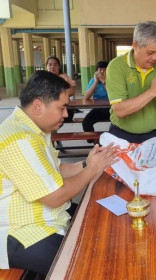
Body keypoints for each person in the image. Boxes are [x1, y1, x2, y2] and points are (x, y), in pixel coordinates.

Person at [0, 70, 118, 276]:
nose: (66, 114)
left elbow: (57, 169)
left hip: (45, 217)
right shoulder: (20, 139)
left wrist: (86, 163)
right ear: (38, 106)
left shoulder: (34, 129)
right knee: (83, 268)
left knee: (98, 220)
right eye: (62, 107)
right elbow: (55, 197)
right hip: (22, 232)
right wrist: (92, 169)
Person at [106, 21, 156, 144]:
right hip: (121, 134)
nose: (155, 58)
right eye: (150, 53)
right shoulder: (116, 66)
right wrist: (153, 91)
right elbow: (120, 111)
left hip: (154, 134)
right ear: (135, 45)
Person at [82, 61, 110, 138]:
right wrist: (96, 82)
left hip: (111, 109)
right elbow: (86, 97)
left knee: (118, 125)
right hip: (98, 109)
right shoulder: (93, 81)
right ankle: (92, 139)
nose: (102, 71)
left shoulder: (112, 80)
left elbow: (112, 96)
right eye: (100, 69)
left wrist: (104, 81)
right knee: (86, 122)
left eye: (104, 69)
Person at [46, 55, 77, 122]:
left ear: (59, 66)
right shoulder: (44, 79)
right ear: (46, 66)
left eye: (55, 65)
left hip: (64, 110)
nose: (52, 67)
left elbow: (71, 93)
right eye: (50, 65)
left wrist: (67, 79)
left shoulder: (64, 78)